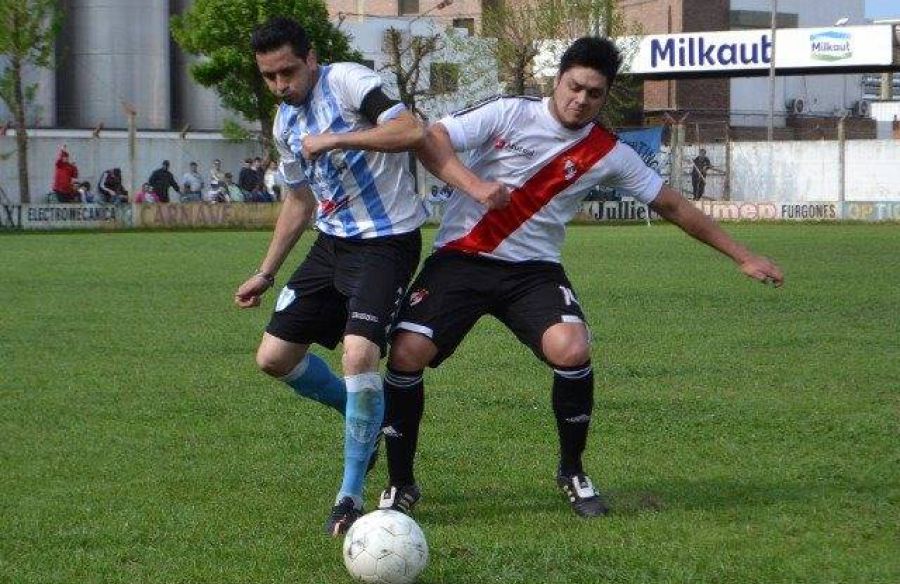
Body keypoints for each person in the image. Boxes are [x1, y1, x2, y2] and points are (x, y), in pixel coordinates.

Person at [377, 37, 785, 519]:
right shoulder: (509, 112)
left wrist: (741, 255)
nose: (580, 100)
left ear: (605, 96)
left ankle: (572, 470)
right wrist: (476, 186)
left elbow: (671, 204)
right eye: (574, 87)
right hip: (462, 258)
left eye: (594, 93)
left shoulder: (609, 152)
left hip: (534, 270)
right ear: (557, 80)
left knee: (572, 348)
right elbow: (432, 138)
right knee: (406, 353)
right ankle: (401, 483)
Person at [233, 16, 434, 536]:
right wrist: (265, 271)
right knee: (273, 359)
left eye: (289, 72)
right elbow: (299, 201)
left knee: (358, 353)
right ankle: (367, 420)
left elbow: (412, 130)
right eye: (270, 76)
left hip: (386, 241)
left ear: (312, 58)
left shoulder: (348, 81)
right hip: (331, 244)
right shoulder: (284, 123)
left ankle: (350, 494)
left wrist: (338, 139)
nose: (281, 86)